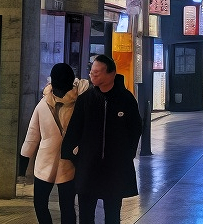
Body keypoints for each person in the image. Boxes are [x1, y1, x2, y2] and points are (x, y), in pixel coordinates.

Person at [61, 53, 140, 224]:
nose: (92, 75)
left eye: (96, 73)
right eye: (91, 72)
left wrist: (127, 155)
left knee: (112, 215)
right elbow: (74, 131)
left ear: (111, 74)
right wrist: (75, 157)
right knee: (86, 215)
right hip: (88, 169)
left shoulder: (126, 99)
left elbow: (135, 129)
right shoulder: (85, 99)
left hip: (114, 170)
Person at [20, 63, 80, 224]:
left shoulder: (77, 104)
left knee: (61, 205)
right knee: (53, 204)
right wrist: (24, 157)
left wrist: (23, 160)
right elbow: (33, 133)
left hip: (66, 161)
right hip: (51, 161)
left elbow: (32, 134)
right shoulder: (46, 103)